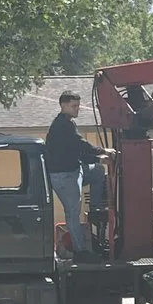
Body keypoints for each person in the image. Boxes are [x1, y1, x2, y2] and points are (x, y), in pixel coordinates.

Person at [45, 91, 115, 264]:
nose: (77, 109)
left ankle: (96, 208)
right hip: (64, 176)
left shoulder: (70, 123)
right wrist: (103, 151)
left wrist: (98, 159)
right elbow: (79, 144)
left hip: (76, 170)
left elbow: (77, 152)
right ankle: (80, 251)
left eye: (77, 105)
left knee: (98, 171)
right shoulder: (62, 125)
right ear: (63, 105)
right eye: (73, 106)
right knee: (73, 212)